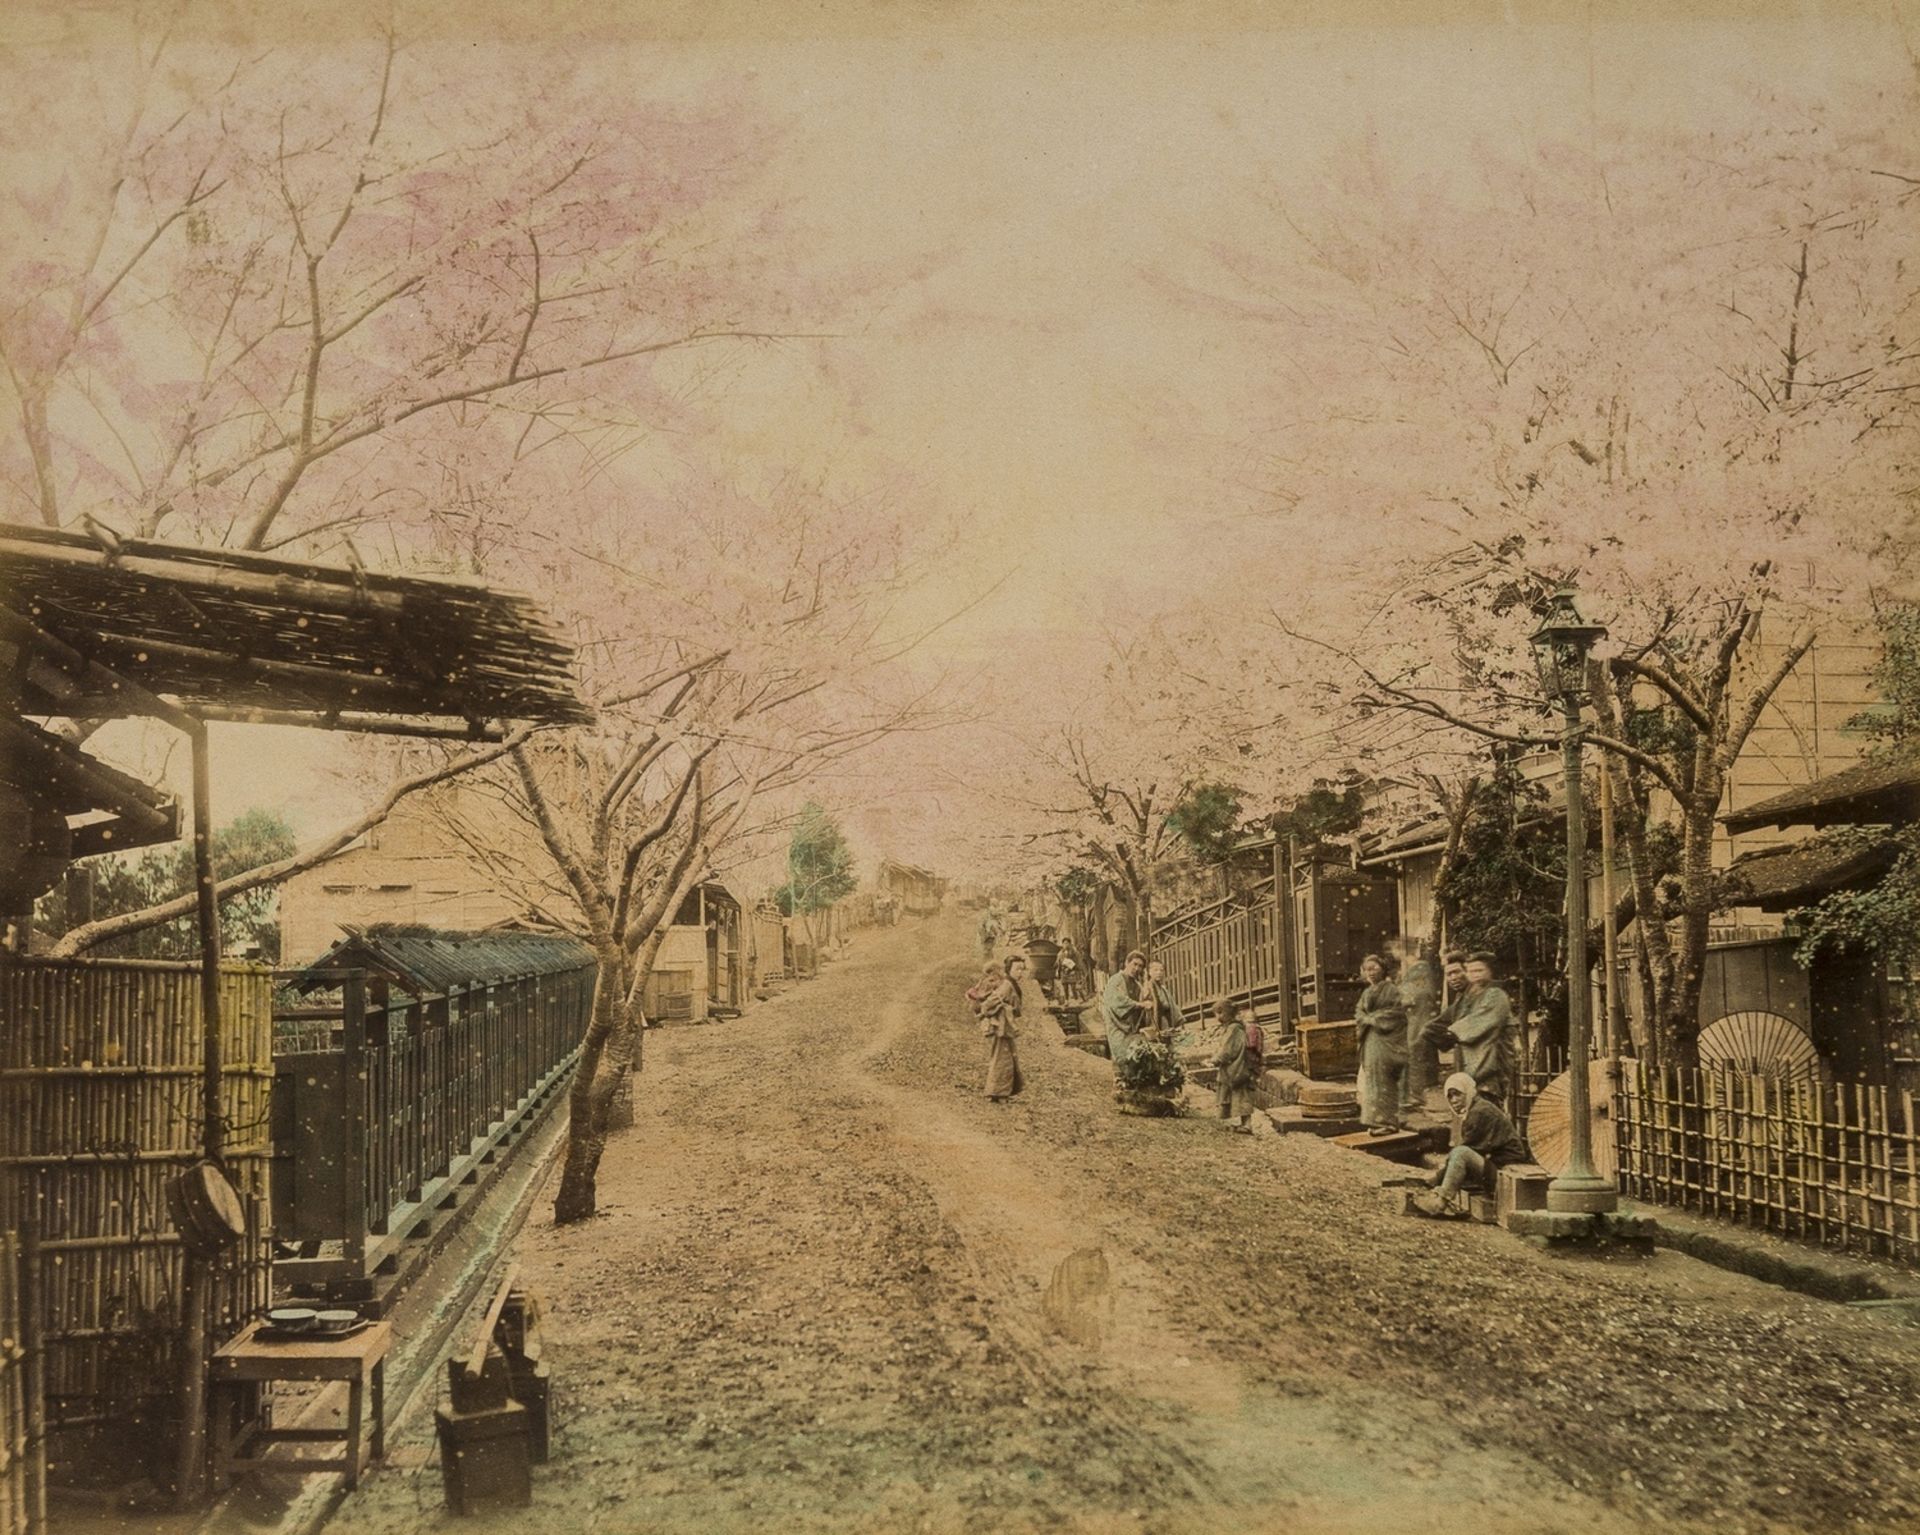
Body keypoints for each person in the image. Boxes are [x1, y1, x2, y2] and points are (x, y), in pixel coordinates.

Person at [1414, 1072, 1529, 1218]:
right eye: (1450, 1096)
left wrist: (1437, 1177)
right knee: (1459, 1154)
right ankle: (1439, 1195)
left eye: (1457, 1094)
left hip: (1507, 1174)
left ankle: (1440, 1202)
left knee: (1461, 1153)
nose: (1454, 1100)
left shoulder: (1479, 1112)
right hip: (1497, 1167)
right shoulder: (1475, 1108)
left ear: (1468, 1092)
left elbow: (1467, 1152)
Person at [1438, 951, 1514, 1104]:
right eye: (1471, 971)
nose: (1475, 975)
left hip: (1490, 1064)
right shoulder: (1467, 998)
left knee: (1488, 1106)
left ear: (1490, 972)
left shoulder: (1496, 995)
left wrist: (1450, 1033)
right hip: (1471, 1063)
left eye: (1479, 970)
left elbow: (1479, 1021)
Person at [1354, 952, 1409, 1135]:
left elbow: (1397, 1013)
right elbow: (1359, 1013)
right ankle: (1376, 1121)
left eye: (1374, 968)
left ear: (1383, 969)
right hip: (1370, 1040)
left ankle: (1388, 1123)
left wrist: (1373, 1019)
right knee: (1372, 1080)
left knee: (1384, 1079)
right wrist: (1365, 1019)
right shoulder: (1367, 992)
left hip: (1386, 1041)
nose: (1370, 972)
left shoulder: (1392, 989)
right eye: (1367, 969)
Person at [1400, 945, 1442, 1118]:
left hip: (1418, 1023)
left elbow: (1407, 997)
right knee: (1418, 1058)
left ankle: (1416, 1097)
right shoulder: (1425, 972)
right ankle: (1417, 1096)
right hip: (1420, 1022)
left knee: (1415, 1057)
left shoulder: (1420, 971)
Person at [978, 954, 1027, 1101]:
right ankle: (997, 1093)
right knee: (1002, 1058)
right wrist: (1003, 1008)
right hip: (1001, 1026)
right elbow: (987, 1006)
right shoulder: (1006, 986)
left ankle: (1001, 1091)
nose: (1020, 973)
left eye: (1022, 970)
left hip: (1005, 1027)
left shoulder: (1009, 984)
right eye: (1017, 969)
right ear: (1008, 970)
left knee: (1007, 1058)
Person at [1211, 999, 1262, 1134]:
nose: (1216, 1017)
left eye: (1217, 1013)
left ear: (1223, 1013)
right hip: (1240, 1065)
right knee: (1239, 1093)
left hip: (1237, 1067)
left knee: (1240, 1093)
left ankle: (1247, 1125)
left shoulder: (1233, 1029)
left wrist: (1215, 1060)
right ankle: (1245, 1124)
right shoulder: (1235, 1027)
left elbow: (1227, 1050)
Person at [1101, 950, 1148, 1065]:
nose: (1137, 968)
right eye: (1134, 964)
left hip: (1132, 1028)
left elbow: (1144, 999)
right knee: (1121, 1057)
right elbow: (1117, 1000)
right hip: (1117, 1024)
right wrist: (1138, 1004)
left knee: (1135, 1058)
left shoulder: (1137, 984)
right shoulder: (1116, 980)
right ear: (1127, 963)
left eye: (1140, 966)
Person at [1142, 958, 1179, 1041]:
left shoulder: (1162, 988)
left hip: (1165, 1019)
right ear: (1149, 972)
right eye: (1155, 970)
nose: (1159, 973)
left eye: (1161, 970)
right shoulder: (1148, 986)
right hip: (1155, 1020)